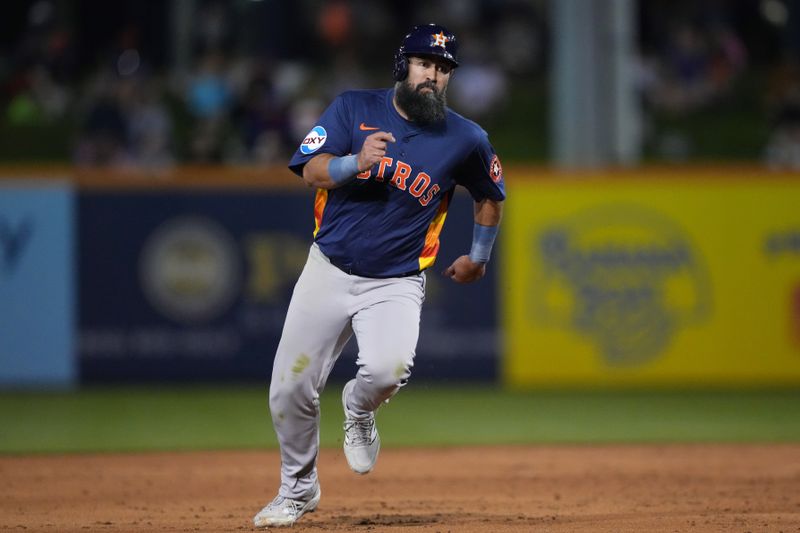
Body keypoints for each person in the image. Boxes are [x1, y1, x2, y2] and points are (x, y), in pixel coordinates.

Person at [253, 23, 506, 528]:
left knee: (387, 371)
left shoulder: (465, 138)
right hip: (327, 269)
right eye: (424, 64)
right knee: (288, 389)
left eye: (442, 69)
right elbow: (310, 169)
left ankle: (358, 408)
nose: (433, 76)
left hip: (396, 281)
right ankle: (298, 490)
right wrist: (353, 162)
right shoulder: (352, 109)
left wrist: (478, 257)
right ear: (401, 66)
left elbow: (489, 197)